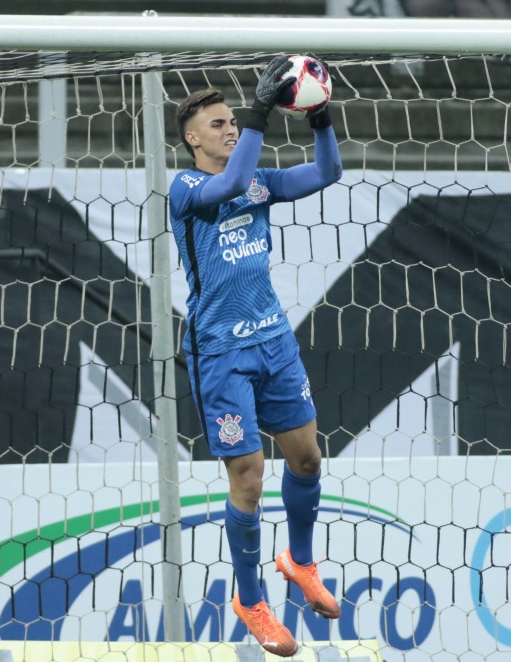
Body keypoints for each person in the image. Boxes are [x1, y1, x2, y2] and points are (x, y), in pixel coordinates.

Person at [168, 56, 343, 658]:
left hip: (274, 342)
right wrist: (260, 110)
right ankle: (251, 599)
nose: (230, 129)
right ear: (193, 138)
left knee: (309, 458)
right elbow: (229, 187)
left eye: (233, 122)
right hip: (220, 353)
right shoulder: (188, 189)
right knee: (248, 477)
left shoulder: (258, 178)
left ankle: (298, 560)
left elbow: (328, 173)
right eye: (219, 124)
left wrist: (321, 118)